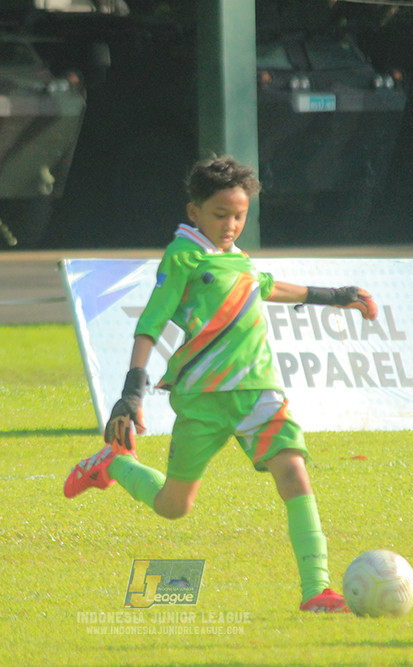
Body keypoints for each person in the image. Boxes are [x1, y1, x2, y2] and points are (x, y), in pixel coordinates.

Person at [63, 156, 378, 613]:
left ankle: (316, 590)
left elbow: (268, 286)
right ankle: (114, 465)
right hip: (204, 398)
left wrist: (335, 296)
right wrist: (133, 390)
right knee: (174, 506)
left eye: (239, 216)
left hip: (259, 392)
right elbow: (151, 322)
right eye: (220, 215)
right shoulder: (183, 255)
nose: (231, 225)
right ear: (194, 212)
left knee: (293, 471)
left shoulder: (238, 260)